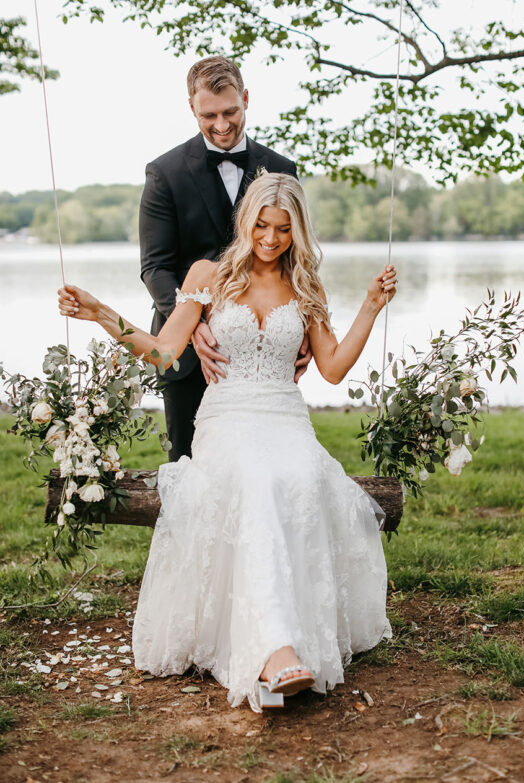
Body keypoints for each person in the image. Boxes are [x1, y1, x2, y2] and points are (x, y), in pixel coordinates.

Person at [58, 173, 397, 713]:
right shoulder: (208, 275)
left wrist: (371, 307)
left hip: (286, 419)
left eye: (282, 229)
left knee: (301, 477)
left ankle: (280, 649)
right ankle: (277, 653)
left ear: (298, 230)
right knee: (253, 479)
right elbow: (165, 352)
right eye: (261, 225)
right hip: (225, 420)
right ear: (246, 222)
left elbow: (331, 368)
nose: (269, 238)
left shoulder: (306, 284)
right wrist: (100, 312)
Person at [139, 55, 306, 462]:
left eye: (230, 111)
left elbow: (292, 254)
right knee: (188, 466)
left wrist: (305, 330)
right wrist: (193, 321)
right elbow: (155, 267)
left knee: (269, 466)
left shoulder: (282, 168)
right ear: (191, 108)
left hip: (261, 355)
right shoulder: (165, 172)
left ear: (246, 98)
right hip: (189, 355)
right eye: (208, 115)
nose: (221, 124)